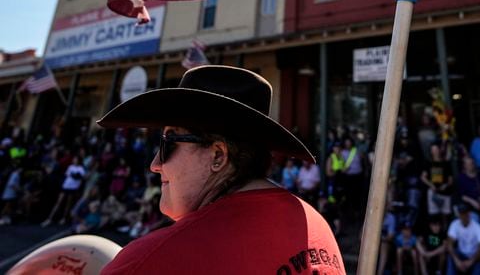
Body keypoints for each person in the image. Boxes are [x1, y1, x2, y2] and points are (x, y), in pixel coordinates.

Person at [96, 65, 343, 274]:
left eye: (168, 143)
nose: (155, 165)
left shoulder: (151, 262)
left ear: (218, 155)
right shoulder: (314, 225)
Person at [42, 155, 85, 227]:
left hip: (73, 188)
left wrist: (75, 175)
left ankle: (64, 218)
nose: (74, 160)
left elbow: (80, 177)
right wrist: (74, 175)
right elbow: (68, 175)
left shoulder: (81, 168)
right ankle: (50, 218)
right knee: (58, 202)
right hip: (66, 186)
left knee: (68, 204)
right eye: (74, 159)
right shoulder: (70, 167)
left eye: (76, 159)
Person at [447, 204, 480, 274]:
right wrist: (456, 260)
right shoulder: (454, 224)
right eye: (461, 213)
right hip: (461, 255)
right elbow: (449, 243)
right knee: (450, 257)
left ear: (469, 214)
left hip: (474, 256)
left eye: (465, 213)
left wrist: (471, 261)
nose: (463, 216)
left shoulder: (477, 226)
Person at [420, 142, 453, 225]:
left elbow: (450, 180)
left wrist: (445, 185)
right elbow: (423, 177)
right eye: (433, 150)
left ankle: (445, 232)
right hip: (433, 192)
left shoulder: (445, 163)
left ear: (439, 150)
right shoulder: (428, 163)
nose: (435, 151)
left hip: (445, 192)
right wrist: (431, 185)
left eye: (436, 149)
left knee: (445, 215)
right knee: (434, 215)